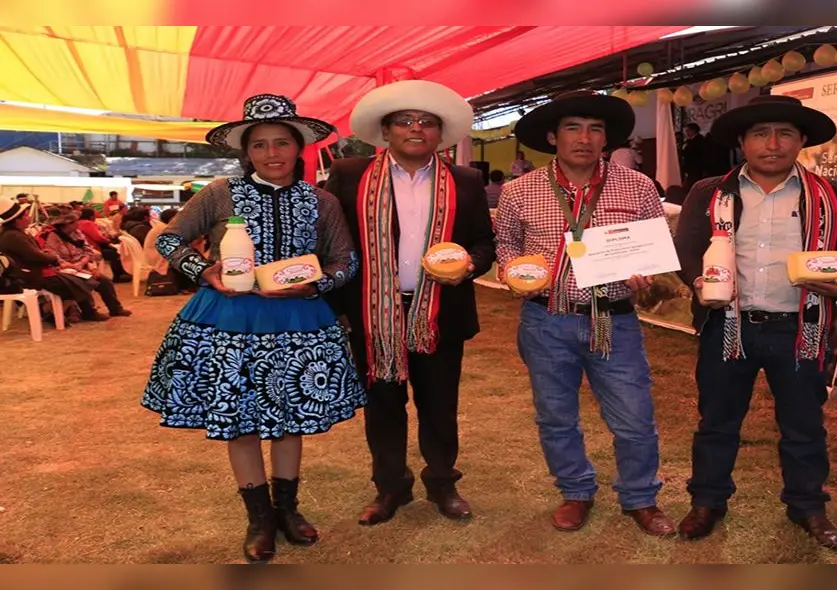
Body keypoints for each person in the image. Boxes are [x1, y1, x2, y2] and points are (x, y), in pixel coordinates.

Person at [140, 94, 366, 563]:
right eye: (259, 145)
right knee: (239, 420)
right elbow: (167, 236)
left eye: (281, 142)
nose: (272, 153)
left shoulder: (321, 200)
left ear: (298, 146)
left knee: (289, 419)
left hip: (300, 320)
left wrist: (314, 286)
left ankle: (288, 509)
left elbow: (346, 261)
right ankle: (258, 516)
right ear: (247, 152)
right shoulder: (220, 192)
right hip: (230, 319)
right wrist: (201, 269)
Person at [673, 94, 837, 553]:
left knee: (804, 424)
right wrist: (698, 280)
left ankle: (807, 506)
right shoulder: (710, 192)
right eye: (761, 134)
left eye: (785, 133)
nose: (773, 143)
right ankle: (707, 502)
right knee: (717, 422)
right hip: (729, 326)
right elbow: (685, 248)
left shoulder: (831, 195)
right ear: (743, 142)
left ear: (801, 140)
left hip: (799, 328)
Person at [494, 90, 674, 536]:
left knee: (634, 415)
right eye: (573, 128)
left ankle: (640, 497)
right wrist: (513, 272)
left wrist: (644, 272)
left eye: (595, 129)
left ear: (606, 138)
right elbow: (507, 248)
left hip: (615, 318)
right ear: (553, 136)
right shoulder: (519, 191)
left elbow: (655, 250)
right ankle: (575, 492)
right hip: (547, 319)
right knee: (555, 415)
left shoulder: (638, 186)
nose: (585, 138)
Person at [323, 79, 495, 526]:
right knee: (382, 404)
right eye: (405, 121)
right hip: (372, 310)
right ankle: (390, 488)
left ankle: (443, 483)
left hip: (440, 310)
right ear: (386, 130)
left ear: (440, 133)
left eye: (427, 122)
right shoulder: (351, 174)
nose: (416, 128)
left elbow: (482, 241)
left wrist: (468, 266)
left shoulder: (466, 179)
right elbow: (331, 240)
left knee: (439, 404)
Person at [44, 211, 132, 318]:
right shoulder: (52, 237)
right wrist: (74, 267)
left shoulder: (77, 234)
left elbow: (88, 251)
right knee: (84, 282)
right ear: (67, 224)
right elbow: (54, 257)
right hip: (65, 269)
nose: (78, 223)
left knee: (105, 281)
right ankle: (89, 312)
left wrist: (83, 264)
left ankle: (116, 309)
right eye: (75, 221)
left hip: (81, 266)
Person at [78, 208, 132, 283]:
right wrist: (108, 241)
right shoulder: (88, 223)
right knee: (116, 253)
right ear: (91, 216)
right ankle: (117, 277)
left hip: (85, 248)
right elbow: (98, 237)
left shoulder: (79, 223)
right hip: (93, 248)